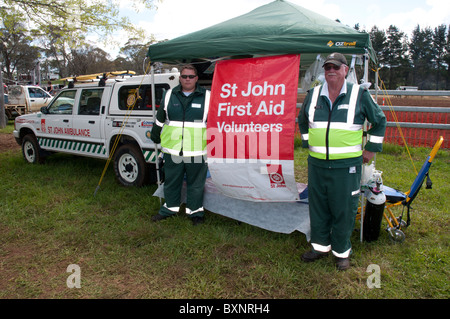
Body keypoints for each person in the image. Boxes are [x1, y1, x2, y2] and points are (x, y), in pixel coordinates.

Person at [298, 52, 386, 270]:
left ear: (345, 70)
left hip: (346, 167)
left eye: (336, 67)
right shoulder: (314, 93)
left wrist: (371, 149)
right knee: (318, 207)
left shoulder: (359, 94)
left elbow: (379, 121)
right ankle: (319, 247)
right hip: (317, 165)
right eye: (327, 67)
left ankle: (341, 252)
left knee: (343, 209)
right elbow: (302, 120)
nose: (331, 71)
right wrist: (308, 142)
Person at [150, 65, 210, 225]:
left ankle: (195, 213)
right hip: (172, 150)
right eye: (184, 76)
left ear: (196, 78)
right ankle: (169, 209)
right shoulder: (169, 95)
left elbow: (214, 124)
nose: (187, 79)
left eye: (191, 76)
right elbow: (159, 119)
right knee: (171, 182)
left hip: (197, 151)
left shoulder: (208, 97)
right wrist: (155, 135)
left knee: (196, 185)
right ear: (180, 78)